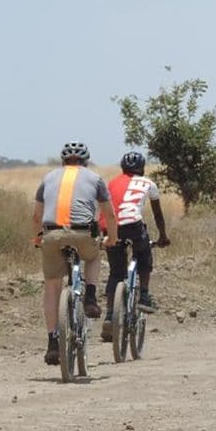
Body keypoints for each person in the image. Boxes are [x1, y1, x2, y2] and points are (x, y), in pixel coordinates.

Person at [32, 141, 118, 365]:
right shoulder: (95, 178)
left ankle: (52, 342)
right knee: (93, 255)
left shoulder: (48, 177)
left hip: (52, 234)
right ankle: (90, 296)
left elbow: (36, 216)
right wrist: (112, 239)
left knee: (52, 286)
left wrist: (37, 238)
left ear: (63, 161)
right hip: (83, 234)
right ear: (85, 161)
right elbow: (109, 215)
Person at [100, 151, 170, 342]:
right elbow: (158, 214)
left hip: (110, 226)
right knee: (144, 254)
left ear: (122, 168)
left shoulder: (112, 183)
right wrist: (163, 236)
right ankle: (145, 295)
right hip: (133, 225)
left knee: (116, 272)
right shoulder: (148, 183)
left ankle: (109, 316)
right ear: (142, 168)